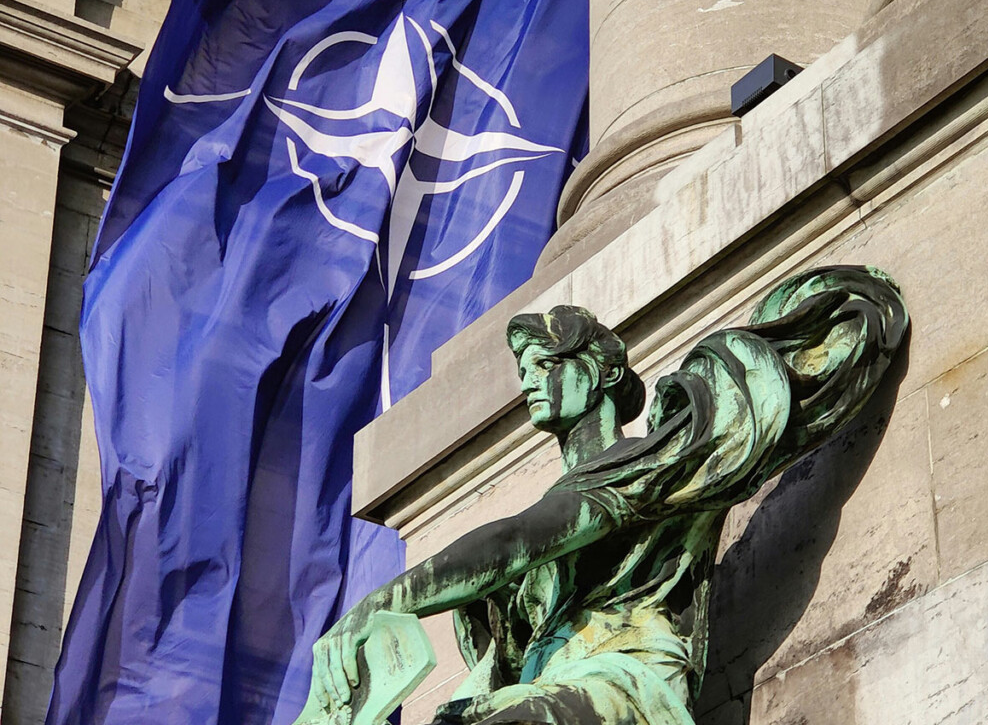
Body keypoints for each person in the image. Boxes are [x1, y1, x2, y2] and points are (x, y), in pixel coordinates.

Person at [302, 266, 909, 725]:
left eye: (545, 364)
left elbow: (516, 541)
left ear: (601, 372)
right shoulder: (561, 515)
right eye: (526, 373)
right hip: (550, 692)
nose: (531, 384)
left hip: (629, 677)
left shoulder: (640, 466)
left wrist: (384, 603)